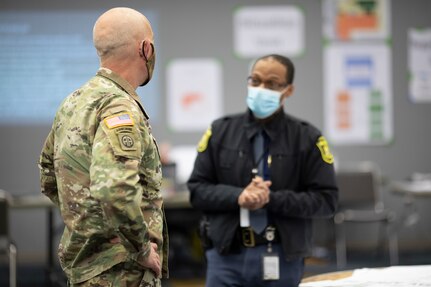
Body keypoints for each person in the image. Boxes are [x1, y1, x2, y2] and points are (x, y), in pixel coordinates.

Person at [38, 7, 168, 287]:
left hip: (86, 268)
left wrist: (88, 220)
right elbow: (115, 189)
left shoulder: (74, 101)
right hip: (122, 270)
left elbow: (49, 176)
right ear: (146, 48)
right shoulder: (119, 106)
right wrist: (141, 250)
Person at [188, 54, 338, 287]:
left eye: (272, 84)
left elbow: (326, 201)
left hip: (283, 256)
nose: (261, 88)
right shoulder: (220, 131)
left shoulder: (307, 137)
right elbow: (197, 190)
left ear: (288, 90)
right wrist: (238, 196)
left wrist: (271, 199)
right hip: (226, 257)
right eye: (255, 80)